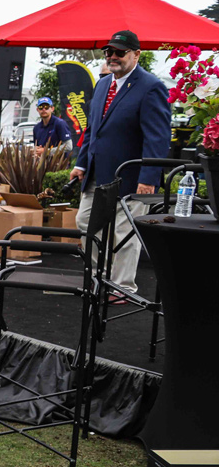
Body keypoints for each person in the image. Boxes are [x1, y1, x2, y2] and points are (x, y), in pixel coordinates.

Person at [69, 30, 170, 298]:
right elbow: (92, 130)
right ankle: (99, 277)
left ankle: (123, 287)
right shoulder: (103, 84)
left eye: (120, 52)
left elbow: (157, 138)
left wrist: (149, 178)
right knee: (85, 223)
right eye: (109, 52)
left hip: (132, 176)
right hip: (96, 173)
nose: (113, 56)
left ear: (137, 54)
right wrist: (80, 164)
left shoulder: (151, 87)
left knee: (125, 232)